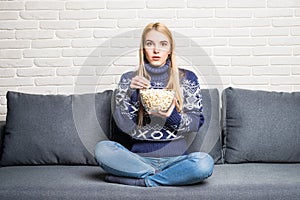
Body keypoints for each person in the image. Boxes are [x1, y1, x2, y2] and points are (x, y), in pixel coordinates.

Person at [94, 22, 214, 187]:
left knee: (204, 163)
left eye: (163, 44)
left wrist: (171, 116)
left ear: (170, 49)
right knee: (102, 149)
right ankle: (164, 178)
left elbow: (195, 122)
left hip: (176, 160)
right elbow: (122, 124)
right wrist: (131, 94)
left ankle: (145, 181)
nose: (156, 50)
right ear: (143, 48)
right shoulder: (129, 79)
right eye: (150, 44)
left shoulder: (187, 78)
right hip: (138, 159)